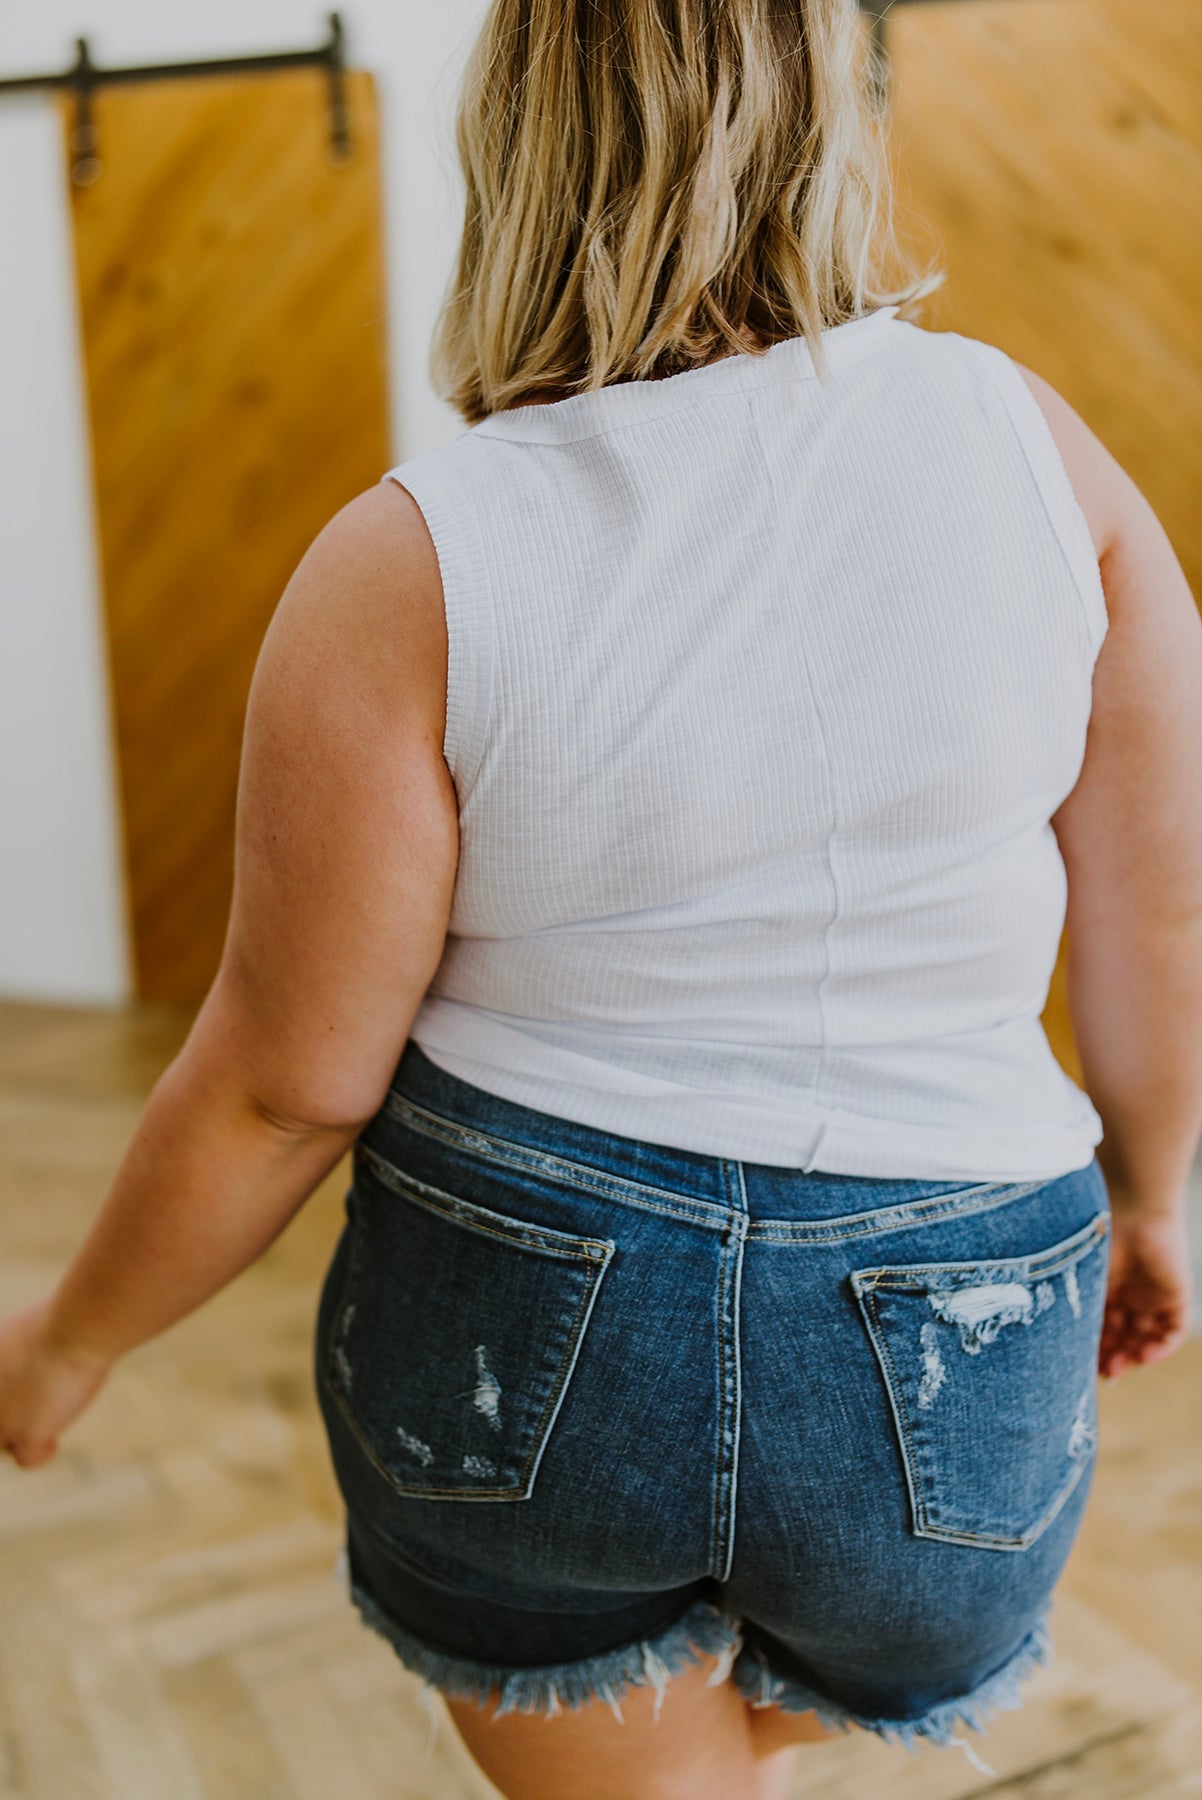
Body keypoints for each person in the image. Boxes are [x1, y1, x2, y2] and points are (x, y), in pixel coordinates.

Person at [2, 0, 1199, 1794]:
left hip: (537, 1326)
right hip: (963, 1309)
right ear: (831, 123)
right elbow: (1158, 911)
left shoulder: (415, 554)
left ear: (514, 155)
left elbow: (282, 1083)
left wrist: (66, 1338)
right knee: (777, 1717)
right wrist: (1155, 1192)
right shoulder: (1034, 448)